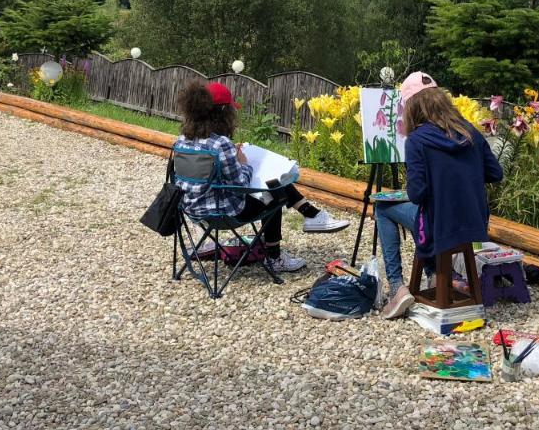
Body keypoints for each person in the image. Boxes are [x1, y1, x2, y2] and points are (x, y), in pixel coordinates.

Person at [173, 81, 349, 275]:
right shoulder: (221, 144)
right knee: (275, 191)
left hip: (193, 212)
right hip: (223, 214)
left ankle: (311, 215)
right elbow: (240, 183)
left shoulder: (182, 141)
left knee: (272, 186)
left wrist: (233, 158)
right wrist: (244, 163)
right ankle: (277, 255)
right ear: (222, 112)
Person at [376, 72, 504, 320]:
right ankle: (438, 274)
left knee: (383, 208)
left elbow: (417, 193)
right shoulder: (469, 132)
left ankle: (397, 287)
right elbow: (495, 173)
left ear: (412, 107)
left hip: (439, 224)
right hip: (474, 222)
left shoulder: (417, 140)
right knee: (424, 212)